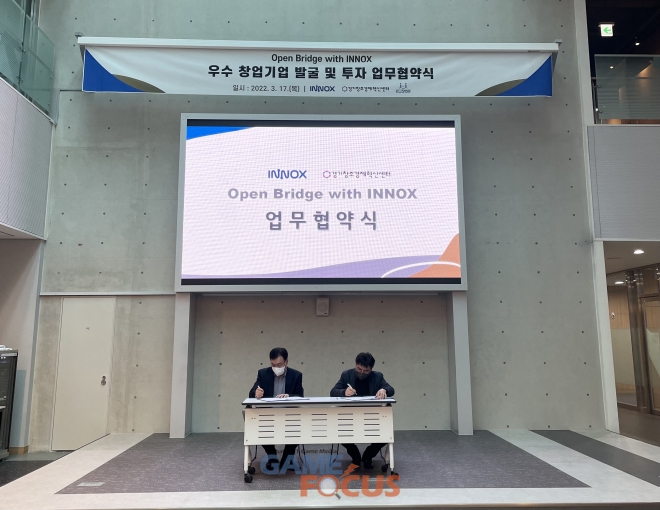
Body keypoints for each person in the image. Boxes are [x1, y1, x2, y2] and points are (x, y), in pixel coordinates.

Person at [330, 352, 395, 468]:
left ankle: (368, 455)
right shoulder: (346, 375)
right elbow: (333, 392)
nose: (361, 373)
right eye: (359, 369)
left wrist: (384, 390)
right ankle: (354, 454)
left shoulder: (377, 376)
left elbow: (391, 389)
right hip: (350, 415)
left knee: (386, 433)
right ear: (355, 364)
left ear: (371, 369)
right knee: (339, 431)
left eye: (366, 371)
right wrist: (344, 392)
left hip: (372, 415)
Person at [248, 347, 303, 470]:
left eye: (279, 365)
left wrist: (289, 396)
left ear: (286, 362)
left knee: (297, 428)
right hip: (268, 414)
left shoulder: (296, 375)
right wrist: (256, 393)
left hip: (289, 414)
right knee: (259, 429)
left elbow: (300, 395)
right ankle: (272, 457)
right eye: (273, 365)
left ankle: (286, 459)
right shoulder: (263, 373)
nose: (276, 368)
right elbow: (252, 392)